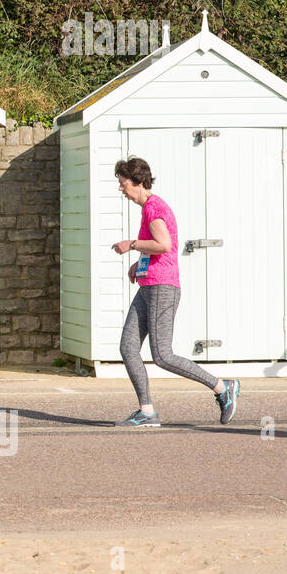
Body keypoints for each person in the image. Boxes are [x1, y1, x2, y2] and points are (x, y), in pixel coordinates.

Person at [111, 157, 239, 427]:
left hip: (162, 288)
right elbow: (158, 247)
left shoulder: (153, 208)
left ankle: (222, 387)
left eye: (123, 184)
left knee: (162, 355)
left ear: (138, 182)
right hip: (149, 285)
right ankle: (146, 411)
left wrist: (132, 244)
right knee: (128, 347)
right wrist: (139, 263)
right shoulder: (149, 207)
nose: (121, 189)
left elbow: (164, 244)